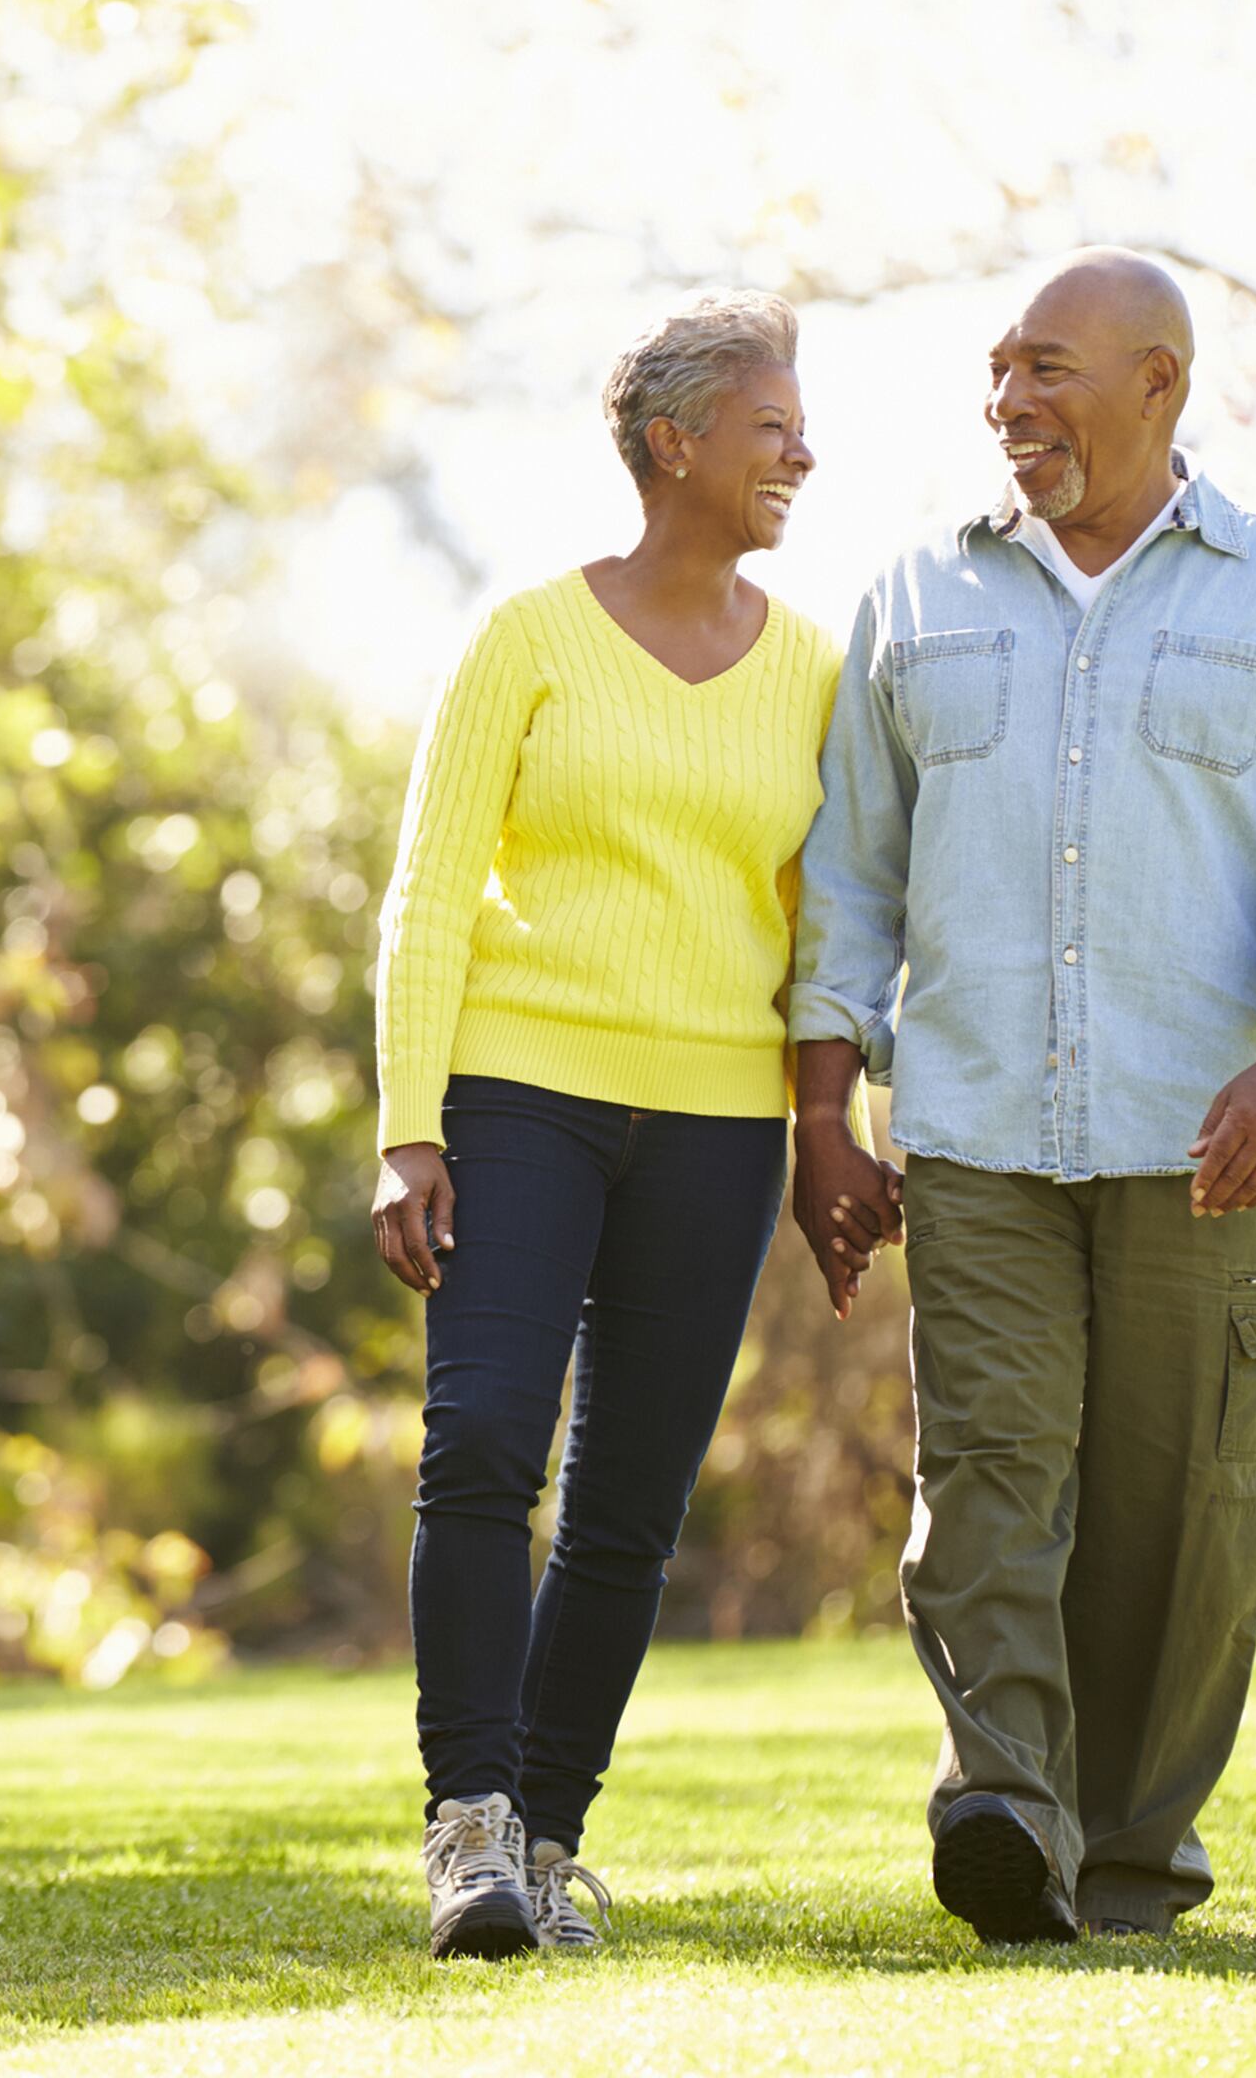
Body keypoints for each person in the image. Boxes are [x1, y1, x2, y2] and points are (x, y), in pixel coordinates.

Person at [785, 249, 1256, 1944]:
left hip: (1202, 1133)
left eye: (1047, 370)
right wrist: (824, 1113)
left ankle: (1128, 1854)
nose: (1009, 404)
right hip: (976, 1130)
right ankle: (1003, 1805)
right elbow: (850, 876)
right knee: (987, 1471)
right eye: (997, 372)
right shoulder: (916, 598)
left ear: (1160, 383)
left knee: (1179, 1506)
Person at [368, 290, 839, 1960]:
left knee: (633, 1497)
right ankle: (470, 1827)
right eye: (774, 423)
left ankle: (549, 1844)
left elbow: (822, 923)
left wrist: (831, 1126)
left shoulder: (811, 671)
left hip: (715, 1122)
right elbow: (429, 895)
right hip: (520, 1092)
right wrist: (405, 1127)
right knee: (486, 1438)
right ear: (675, 442)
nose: (804, 451)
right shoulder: (526, 640)